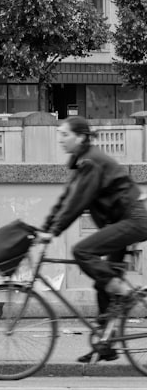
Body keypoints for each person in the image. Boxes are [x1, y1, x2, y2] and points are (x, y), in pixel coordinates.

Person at [36, 116, 147, 363]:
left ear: (82, 137)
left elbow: (78, 203)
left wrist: (53, 232)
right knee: (102, 282)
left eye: (65, 135)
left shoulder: (92, 162)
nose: (60, 140)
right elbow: (66, 199)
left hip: (132, 220)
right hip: (120, 222)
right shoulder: (81, 163)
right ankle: (105, 343)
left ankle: (124, 292)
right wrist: (45, 228)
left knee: (82, 252)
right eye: (59, 135)